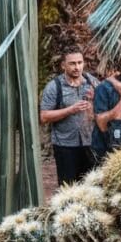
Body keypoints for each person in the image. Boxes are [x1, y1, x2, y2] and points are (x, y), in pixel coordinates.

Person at [39, 47, 98, 186]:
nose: (77, 67)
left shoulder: (92, 83)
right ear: (63, 65)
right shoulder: (54, 87)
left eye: (80, 62)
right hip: (65, 146)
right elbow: (44, 116)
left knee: (91, 187)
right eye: (72, 63)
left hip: (91, 143)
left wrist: (94, 102)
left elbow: (104, 110)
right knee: (68, 188)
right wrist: (70, 110)